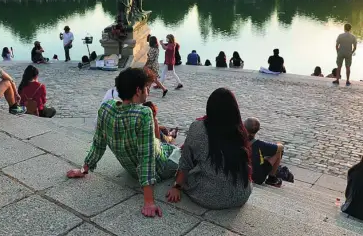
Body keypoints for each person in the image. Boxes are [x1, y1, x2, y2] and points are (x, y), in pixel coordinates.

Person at [66, 68, 179, 218]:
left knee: (164, 144)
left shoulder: (106, 108)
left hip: (132, 169)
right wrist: (148, 201)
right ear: (138, 90)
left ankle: (170, 144)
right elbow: (147, 158)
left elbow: (98, 143)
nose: (148, 92)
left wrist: (83, 170)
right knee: (183, 154)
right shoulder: (144, 114)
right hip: (161, 166)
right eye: (147, 87)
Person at [166, 88, 252, 209]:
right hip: (240, 194)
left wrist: (176, 186)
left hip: (208, 196)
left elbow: (185, 161)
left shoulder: (198, 128)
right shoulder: (239, 130)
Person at [244, 117, 283, 187]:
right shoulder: (261, 145)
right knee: (278, 152)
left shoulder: (238, 140)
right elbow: (280, 147)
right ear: (258, 130)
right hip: (257, 178)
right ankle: (271, 178)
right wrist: (278, 144)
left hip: (243, 174)